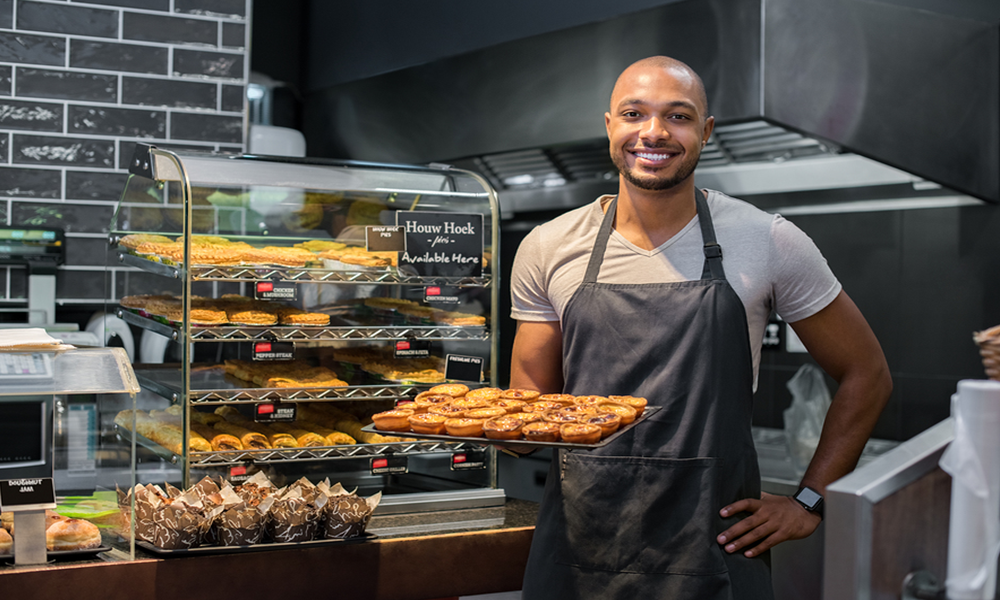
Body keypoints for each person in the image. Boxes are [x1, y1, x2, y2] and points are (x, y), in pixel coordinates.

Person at [508, 56, 892, 599]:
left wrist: (811, 501)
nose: (654, 133)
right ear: (610, 126)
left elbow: (867, 374)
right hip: (577, 554)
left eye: (679, 116)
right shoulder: (548, 247)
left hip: (713, 552)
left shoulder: (769, 241)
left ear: (706, 132)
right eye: (634, 113)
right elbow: (529, 412)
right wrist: (474, 427)